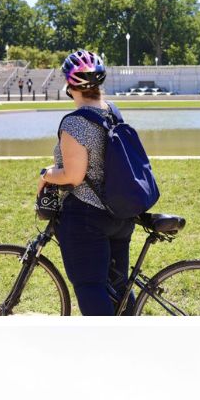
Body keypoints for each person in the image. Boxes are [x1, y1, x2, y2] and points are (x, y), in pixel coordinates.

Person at [37, 50, 134, 316]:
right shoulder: (113, 112)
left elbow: (72, 176)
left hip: (86, 216)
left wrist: (46, 174)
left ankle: (103, 349)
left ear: (70, 87)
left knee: (90, 287)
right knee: (119, 287)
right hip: (120, 212)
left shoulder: (75, 124)